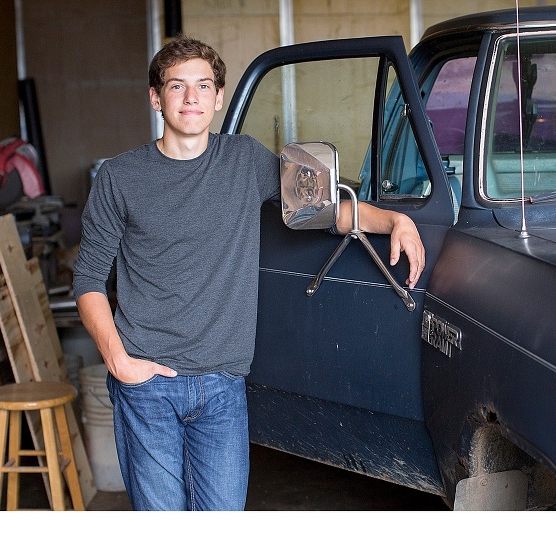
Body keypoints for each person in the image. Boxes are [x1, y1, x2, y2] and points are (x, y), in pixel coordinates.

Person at [72, 35, 425, 511]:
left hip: (222, 385)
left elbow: (323, 212)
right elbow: (89, 278)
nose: (191, 97)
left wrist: (396, 220)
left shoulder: (245, 160)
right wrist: (119, 363)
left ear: (219, 97)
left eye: (202, 86)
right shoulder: (121, 177)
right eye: (177, 86)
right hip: (147, 382)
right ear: (156, 98)